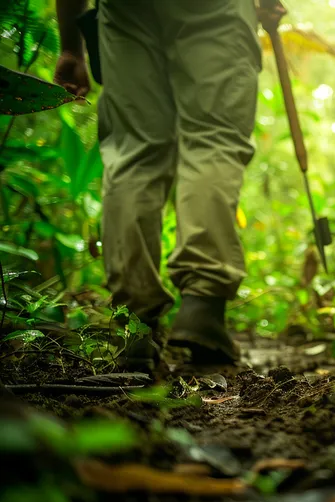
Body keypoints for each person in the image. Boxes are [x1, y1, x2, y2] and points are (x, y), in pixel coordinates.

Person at [53, 0, 280, 369]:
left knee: (134, 152)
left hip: (124, 11)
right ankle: (202, 306)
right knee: (213, 139)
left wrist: (70, 46)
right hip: (216, 10)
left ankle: (135, 322)